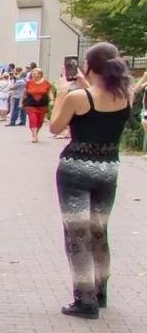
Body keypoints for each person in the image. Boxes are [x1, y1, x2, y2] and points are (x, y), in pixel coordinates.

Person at [46, 42, 134, 318]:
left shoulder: (78, 97)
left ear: (88, 66)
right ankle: (100, 292)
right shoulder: (126, 94)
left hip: (75, 171)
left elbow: (55, 127)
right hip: (108, 170)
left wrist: (62, 93)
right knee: (99, 231)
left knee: (77, 235)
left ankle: (84, 300)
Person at [22, 68, 52, 142]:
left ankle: (36, 133)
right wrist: (21, 102)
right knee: (33, 119)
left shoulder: (46, 83)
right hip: (30, 104)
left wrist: (52, 100)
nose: (32, 75)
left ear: (40, 75)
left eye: (34, 73)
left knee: (40, 121)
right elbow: (24, 93)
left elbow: (49, 92)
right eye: (32, 74)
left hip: (42, 105)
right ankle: (34, 136)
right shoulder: (29, 83)